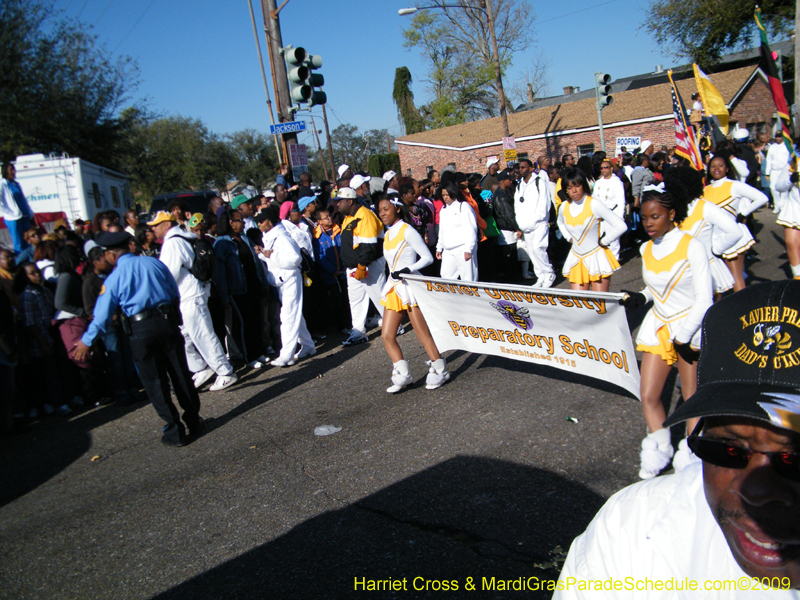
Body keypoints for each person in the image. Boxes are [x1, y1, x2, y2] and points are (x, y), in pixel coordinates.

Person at [556, 279, 800, 598]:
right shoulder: (629, 530)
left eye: (794, 460)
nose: (755, 489)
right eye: (726, 449)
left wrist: (683, 335)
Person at [74, 231, 204, 447]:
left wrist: (87, 340)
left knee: (155, 382)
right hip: (166, 322)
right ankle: (194, 420)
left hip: (140, 329)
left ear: (111, 255)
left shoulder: (114, 277)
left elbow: (102, 315)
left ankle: (175, 431)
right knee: (180, 373)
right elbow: (174, 292)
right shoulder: (154, 263)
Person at [621, 186, 712, 479]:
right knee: (647, 395)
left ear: (672, 215)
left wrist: (684, 336)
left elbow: (704, 298)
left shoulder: (691, 246)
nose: (648, 223)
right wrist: (642, 297)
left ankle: (692, 458)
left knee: (691, 397)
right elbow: (655, 288)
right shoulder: (646, 248)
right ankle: (658, 450)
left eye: (656, 216)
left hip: (690, 327)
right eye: (644, 217)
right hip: (659, 326)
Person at [150, 211, 238, 392]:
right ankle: (200, 368)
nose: (153, 229)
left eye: (156, 225)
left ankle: (225, 371)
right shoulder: (180, 239)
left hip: (189, 295)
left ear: (167, 225)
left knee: (203, 334)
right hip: (188, 295)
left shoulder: (173, 242)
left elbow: (169, 274)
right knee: (185, 336)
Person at [377, 198, 450, 393]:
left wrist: (408, 269)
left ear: (397, 210)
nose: (382, 213)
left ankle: (440, 369)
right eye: (380, 210)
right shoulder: (388, 233)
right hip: (393, 287)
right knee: (387, 335)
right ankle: (402, 374)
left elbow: (427, 257)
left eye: (386, 209)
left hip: (409, 286)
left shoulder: (407, 230)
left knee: (421, 332)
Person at [255, 208, 315, 367]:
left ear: (269, 221)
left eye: (261, 220)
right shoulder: (271, 236)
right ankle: (308, 345)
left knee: (288, 316)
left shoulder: (281, 237)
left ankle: (286, 354)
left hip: (290, 279)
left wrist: (270, 255)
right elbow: (272, 258)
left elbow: (295, 259)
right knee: (294, 313)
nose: (258, 223)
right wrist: (263, 254)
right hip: (282, 281)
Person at [669, 166, 741, 297]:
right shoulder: (672, 210)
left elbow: (735, 232)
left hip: (706, 270)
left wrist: (716, 251)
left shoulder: (706, 207)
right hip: (679, 271)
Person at [704, 154, 769, 292]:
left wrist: (743, 213)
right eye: (713, 166)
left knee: (735, 276)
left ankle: (743, 309)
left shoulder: (734, 185)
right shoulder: (705, 190)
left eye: (720, 166)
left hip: (732, 237)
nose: (716, 169)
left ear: (727, 168)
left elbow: (762, 198)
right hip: (713, 240)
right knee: (721, 278)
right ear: (709, 169)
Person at [557, 169, 626, 292]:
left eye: (577, 186)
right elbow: (560, 222)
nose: (574, 191)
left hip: (597, 258)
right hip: (576, 259)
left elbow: (621, 226)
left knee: (599, 305)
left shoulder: (594, 204)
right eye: (569, 187)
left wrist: (604, 241)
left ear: (583, 185)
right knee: (579, 305)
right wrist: (568, 237)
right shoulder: (564, 206)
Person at [337, 187, 387, 346]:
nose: (337, 205)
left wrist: (362, 266)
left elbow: (369, 245)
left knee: (379, 296)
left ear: (349, 201)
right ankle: (358, 332)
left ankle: (395, 325)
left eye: (340, 201)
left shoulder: (364, 215)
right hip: (354, 266)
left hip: (369, 264)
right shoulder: (349, 217)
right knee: (356, 300)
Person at [514, 158, 555, 288]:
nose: (521, 170)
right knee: (531, 252)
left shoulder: (539, 182)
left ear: (531, 168)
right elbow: (517, 205)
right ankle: (540, 276)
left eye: (523, 167)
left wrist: (536, 219)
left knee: (539, 249)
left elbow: (545, 204)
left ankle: (549, 273)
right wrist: (520, 223)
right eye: (519, 168)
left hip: (539, 224)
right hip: (526, 226)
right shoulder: (520, 185)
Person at [435, 181, 478, 281]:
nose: (445, 197)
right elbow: (442, 230)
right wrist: (439, 247)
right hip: (448, 250)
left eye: (447, 195)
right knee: (445, 276)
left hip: (462, 248)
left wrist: (469, 249)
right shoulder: (443, 210)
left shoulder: (463, 206)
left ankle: (469, 296)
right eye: (443, 195)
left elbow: (470, 229)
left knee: (468, 279)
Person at [591, 158, 626, 260]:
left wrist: (620, 215)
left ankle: (615, 259)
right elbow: (594, 197)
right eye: (601, 168)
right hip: (600, 214)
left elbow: (621, 200)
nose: (603, 170)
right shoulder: (598, 182)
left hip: (612, 212)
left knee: (613, 239)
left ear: (611, 168)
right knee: (599, 236)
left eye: (606, 167)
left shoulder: (616, 181)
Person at [0, 163, 35, 254]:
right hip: (14, 219)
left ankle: (31, 259)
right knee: (18, 243)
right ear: (5, 171)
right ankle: (21, 262)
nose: (13, 171)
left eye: (14, 169)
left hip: (25, 216)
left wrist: (30, 213)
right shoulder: (2, 184)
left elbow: (23, 199)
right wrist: (10, 212)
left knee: (28, 240)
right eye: (11, 169)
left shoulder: (16, 184)